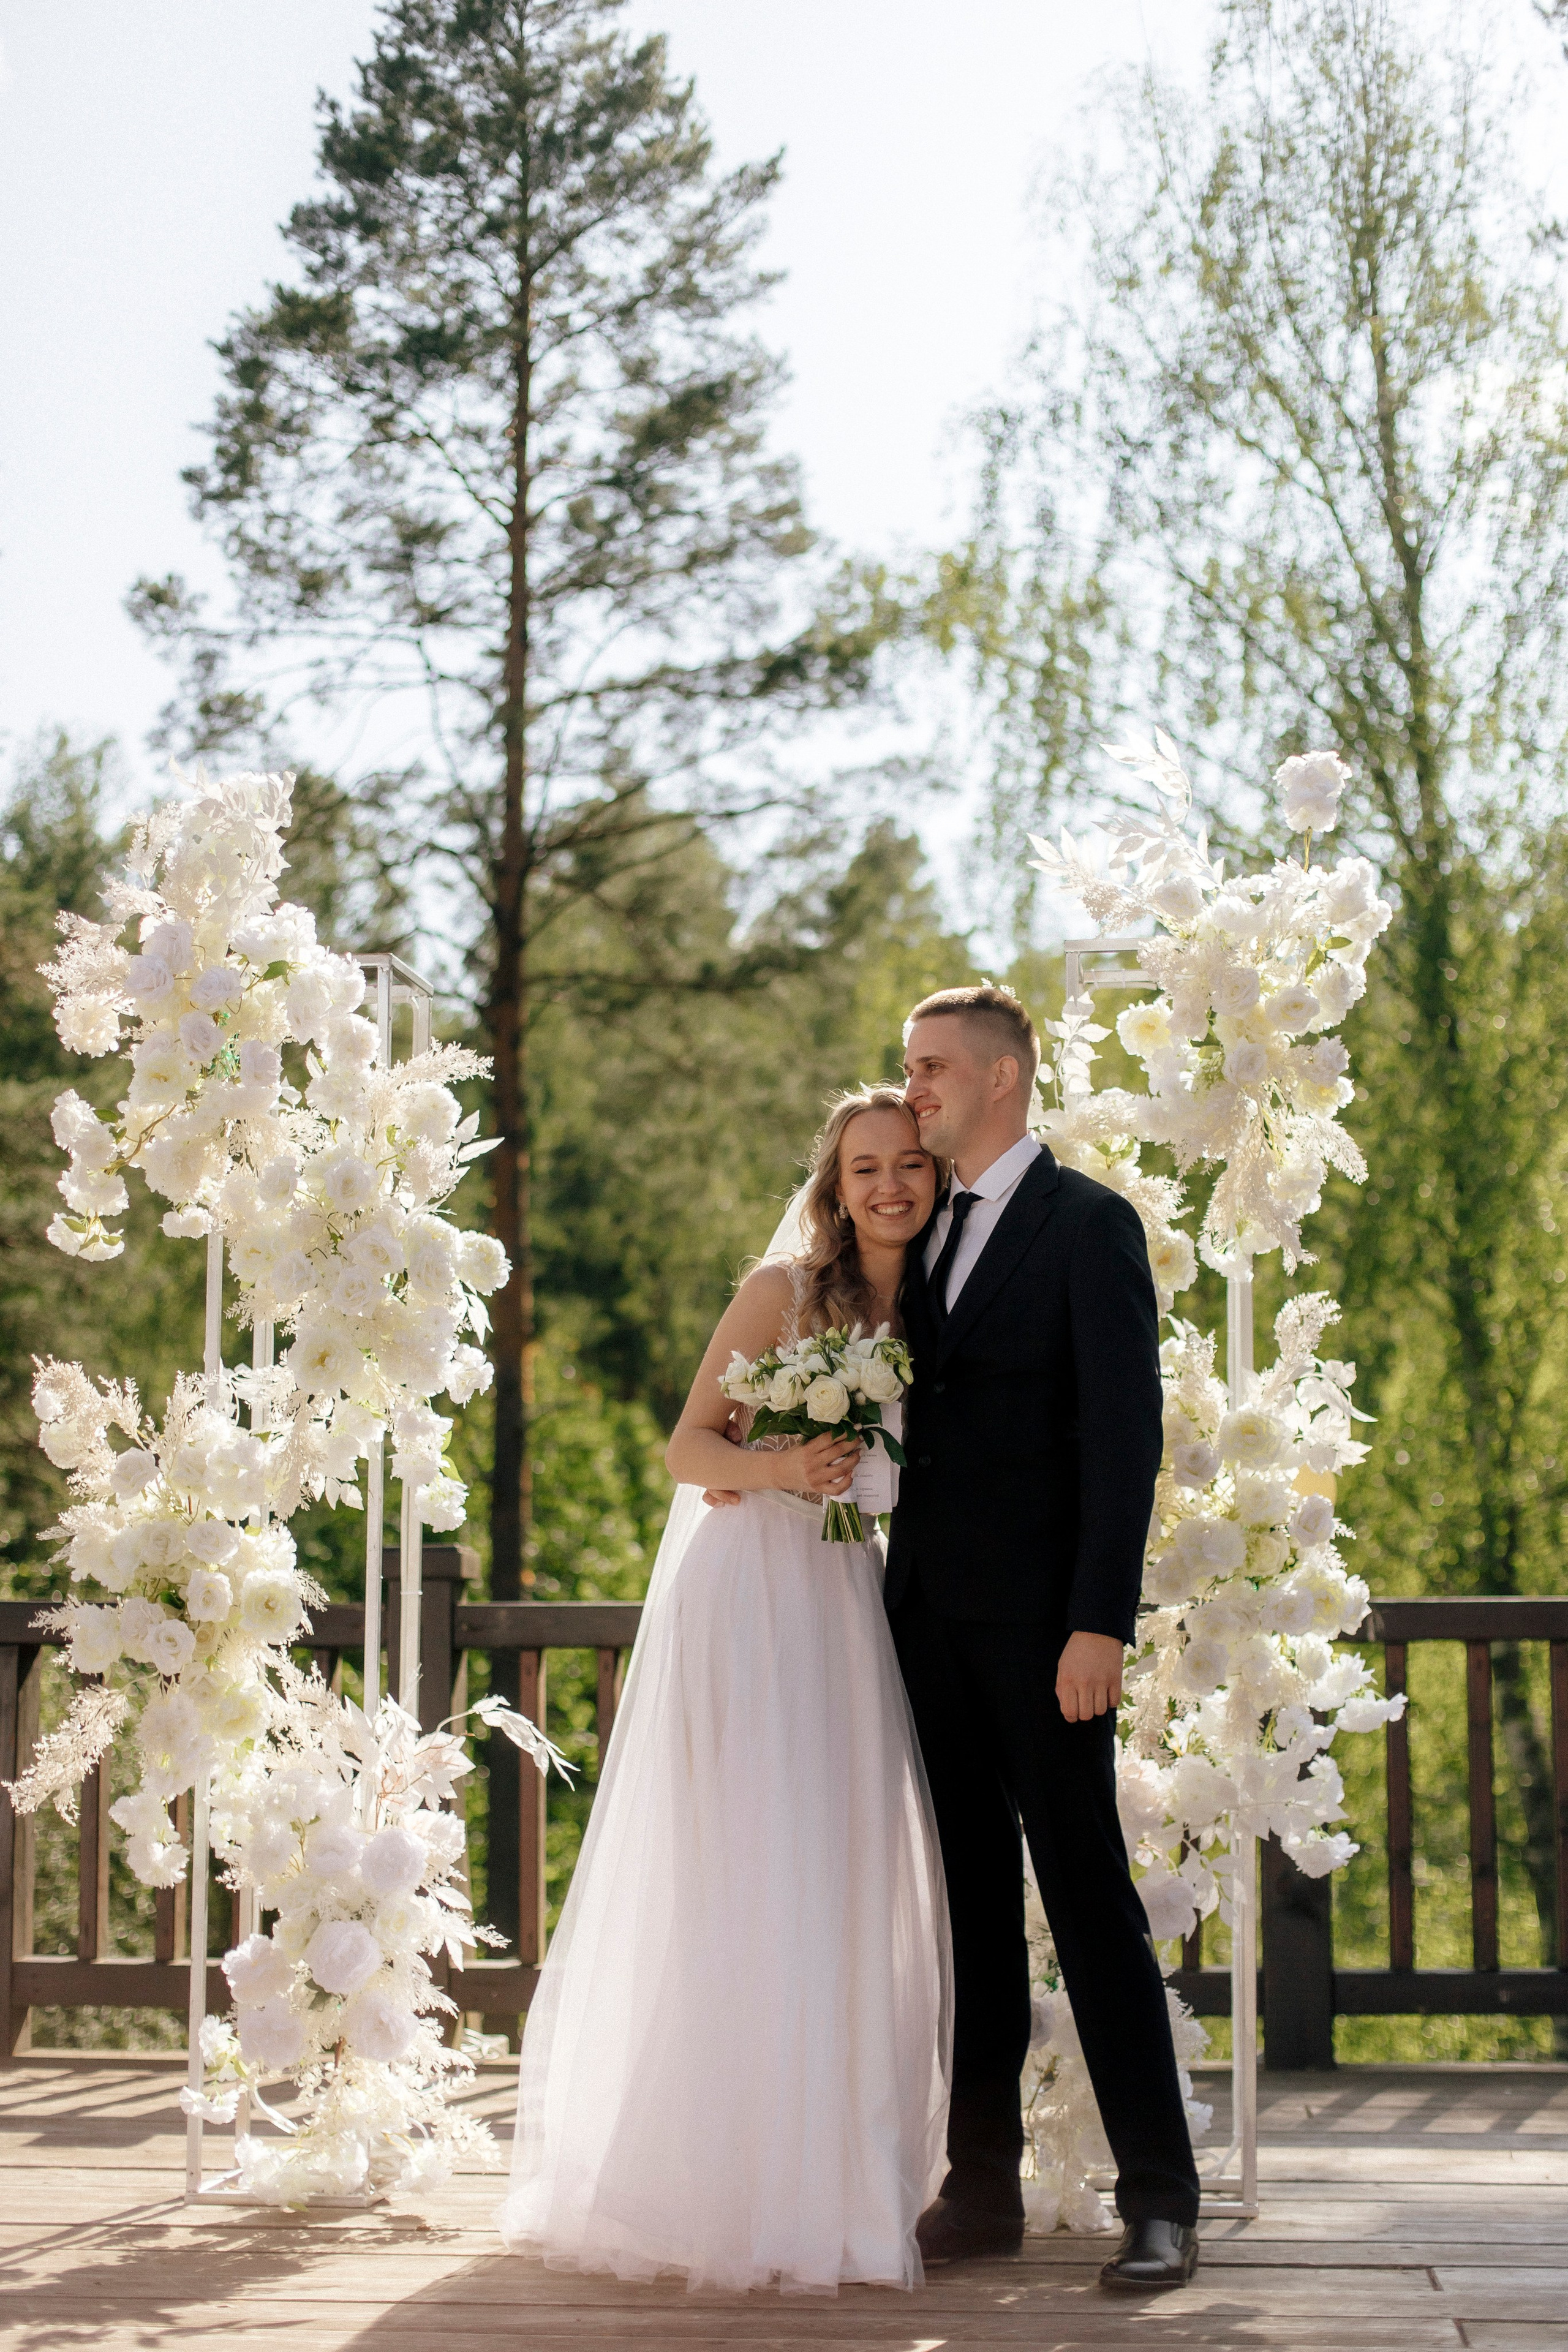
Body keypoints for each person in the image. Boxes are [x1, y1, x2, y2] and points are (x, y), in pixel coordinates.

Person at [498, 1088, 952, 2294]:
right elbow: (685, 1448)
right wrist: (782, 1462)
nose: (886, 1185)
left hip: (848, 1604)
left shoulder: (943, 1302)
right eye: (864, 1166)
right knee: (748, 1866)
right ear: (833, 1180)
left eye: (908, 1163)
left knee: (836, 1871)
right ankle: (712, 2183)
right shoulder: (781, 1294)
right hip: (750, 1596)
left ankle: (837, 2174)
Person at [891, 984, 1201, 2294]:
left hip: (1044, 1634)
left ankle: (1160, 2201)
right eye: (907, 1069)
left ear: (1001, 1078)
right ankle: (979, 2192)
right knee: (966, 1909)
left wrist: (1096, 1624)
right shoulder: (917, 1235)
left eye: (930, 1069)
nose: (913, 1090)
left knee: (1085, 1902)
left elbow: (1124, 1441)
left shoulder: (1088, 1227)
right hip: (923, 1626)